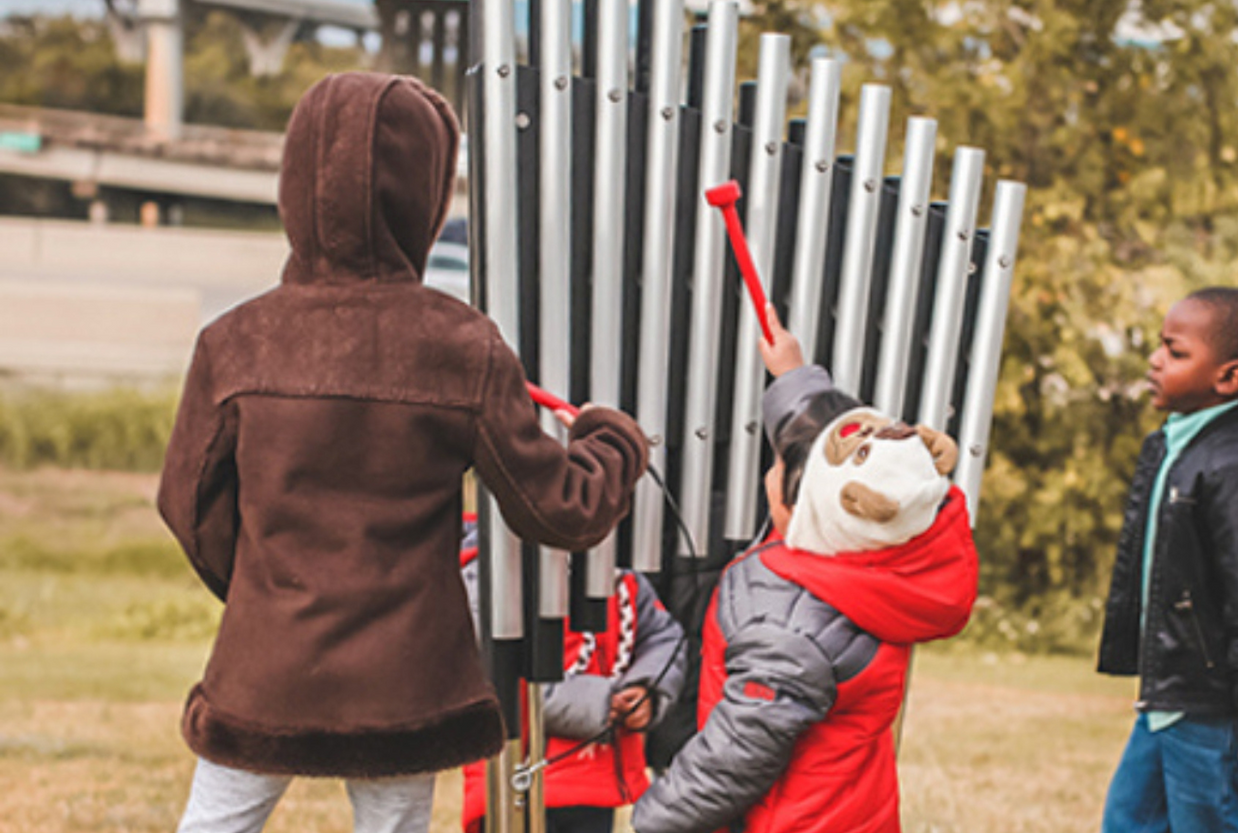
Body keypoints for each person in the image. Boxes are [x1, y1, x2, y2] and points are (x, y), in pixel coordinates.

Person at [157, 72, 649, 833]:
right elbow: (562, 507)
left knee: (215, 823)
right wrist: (612, 439)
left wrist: (266, 592)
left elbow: (187, 504)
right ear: (423, 193)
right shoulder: (460, 342)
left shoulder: (234, 340)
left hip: (265, 661)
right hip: (406, 678)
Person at [631, 309, 979, 833]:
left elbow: (736, 756)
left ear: (803, 507)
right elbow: (830, 450)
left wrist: (654, 819)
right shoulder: (877, 551)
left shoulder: (791, 623)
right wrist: (792, 375)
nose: (771, 470)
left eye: (777, 468)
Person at [1096, 287, 1238, 833]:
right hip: (1175, 692)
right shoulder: (1176, 446)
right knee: (1128, 822)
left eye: (1176, 350)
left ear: (1229, 378)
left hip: (1222, 705)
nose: (1155, 359)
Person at [455, 520, 687, 833]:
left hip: (594, 783)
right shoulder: (490, 576)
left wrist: (646, 689)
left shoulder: (613, 575)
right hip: (519, 780)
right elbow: (497, 677)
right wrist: (601, 703)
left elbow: (662, 636)